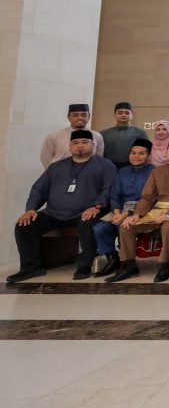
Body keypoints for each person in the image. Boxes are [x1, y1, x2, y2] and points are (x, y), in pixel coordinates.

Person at [7, 130, 117, 283]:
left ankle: (84, 266)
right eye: (75, 143)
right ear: (69, 146)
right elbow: (38, 189)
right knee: (24, 225)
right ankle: (31, 267)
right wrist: (31, 209)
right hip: (53, 213)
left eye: (85, 142)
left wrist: (96, 206)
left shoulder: (105, 165)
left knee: (89, 224)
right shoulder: (56, 166)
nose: (80, 146)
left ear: (93, 145)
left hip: (85, 212)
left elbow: (109, 188)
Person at [108, 137, 169, 283]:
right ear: (166, 151)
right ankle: (129, 266)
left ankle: (164, 266)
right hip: (157, 209)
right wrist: (137, 214)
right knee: (127, 226)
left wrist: (168, 214)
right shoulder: (157, 171)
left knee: (168, 227)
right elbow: (147, 197)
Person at [93, 138, 155, 278]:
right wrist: (116, 212)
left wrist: (127, 214)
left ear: (149, 156)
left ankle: (127, 263)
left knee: (123, 227)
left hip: (142, 211)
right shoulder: (122, 171)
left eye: (141, 153)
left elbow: (150, 198)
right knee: (99, 228)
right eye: (133, 153)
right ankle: (112, 260)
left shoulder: (154, 172)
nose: (136, 156)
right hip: (120, 209)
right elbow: (115, 194)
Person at [40, 103, 105, 167]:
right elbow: (45, 158)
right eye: (75, 115)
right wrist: (54, 172)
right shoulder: (54, 136)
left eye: (84, 115)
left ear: (89, 117)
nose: (80, 118)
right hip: (61, 172)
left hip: (88, 172)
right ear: (68, 117)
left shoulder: (97, 136)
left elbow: (98, 159)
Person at [101, 102, 148, 167]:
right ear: (114, 114)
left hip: (133, 167)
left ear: (131, 115)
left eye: (127, 113)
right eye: (120, 113)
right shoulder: (104, 133)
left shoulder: (141, 133)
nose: (123, 115)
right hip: (109, 167)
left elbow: (145, 152)